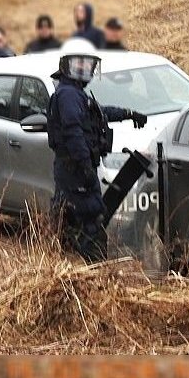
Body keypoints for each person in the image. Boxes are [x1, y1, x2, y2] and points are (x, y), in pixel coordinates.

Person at [47, 40, 147, 262]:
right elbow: (73, 133)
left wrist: (129, 114)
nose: (83, 70)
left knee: (74, 217)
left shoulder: (77, 94)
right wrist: (84, 167)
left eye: (87, 65)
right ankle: (93, 269)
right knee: (91, 217)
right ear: (66, 66)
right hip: (75, 169)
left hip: (76, 168)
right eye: (78, 65)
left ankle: (73, 263)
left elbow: (100, 113)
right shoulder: (68, 96)